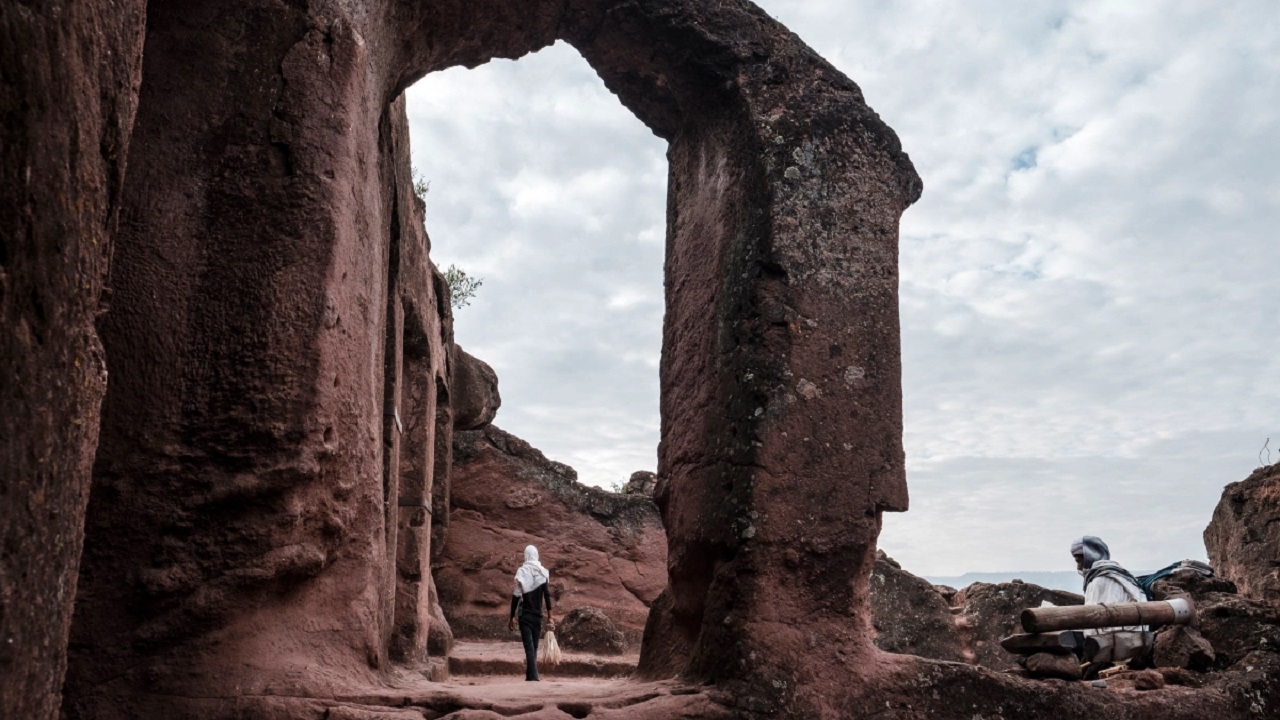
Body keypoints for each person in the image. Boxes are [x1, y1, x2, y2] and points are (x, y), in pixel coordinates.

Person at [1070, 535, 1149, 670]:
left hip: (1116, 641)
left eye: (1079, 560)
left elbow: (1091, 620)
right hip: (1138, 637)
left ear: (1090, 556)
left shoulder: (1099, 580)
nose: (1078, 565)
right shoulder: (1120, 574)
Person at [508, 544, 553, 681]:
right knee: (533, 648)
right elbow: (547, 595)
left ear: (526, 555)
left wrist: (512, 617)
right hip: (537, 617)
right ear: (536, 555)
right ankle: (530, 677)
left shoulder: (522, 572)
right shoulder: (543, 573)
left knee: (529, 648)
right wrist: (550, 617)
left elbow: (516, 596)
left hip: (525, 616)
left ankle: (533, 678)